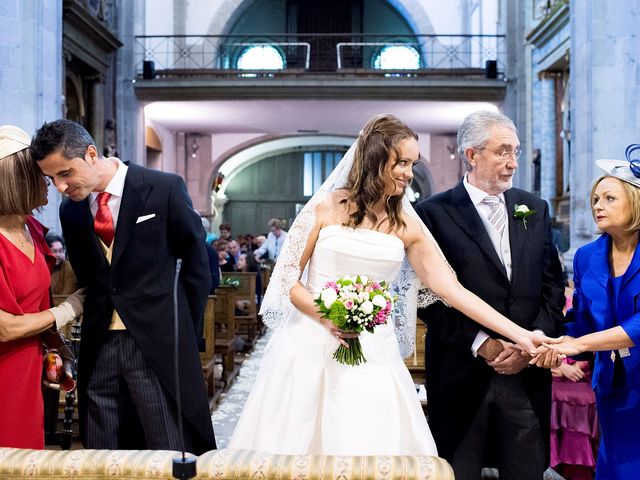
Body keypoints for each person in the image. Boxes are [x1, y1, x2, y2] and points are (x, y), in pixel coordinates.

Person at [229, 113, 557, 456]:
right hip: (309, 342)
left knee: (369, 443)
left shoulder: (407, 223)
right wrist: (327, 316)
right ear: (374, 158)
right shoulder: (326, 207)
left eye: (413, 164)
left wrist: (524, 336)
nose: (408, 173)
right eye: (401, 162)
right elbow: (285, 280)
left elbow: (454, 292)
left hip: (373, 351)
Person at [30, 119, 215, 453]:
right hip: (100, 341)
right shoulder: (72, 212)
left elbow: (196, 266)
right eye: (51, 178)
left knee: (166, 443)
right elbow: (89, 277)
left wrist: (186, 331)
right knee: (101, 444)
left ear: (90, 154)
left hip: (156, 340)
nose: (59, 186)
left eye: (65, 173)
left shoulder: (163, 188)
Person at [414, 110, 565, 479]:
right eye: (502, 152)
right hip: (461, 372)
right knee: (459, 470)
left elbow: (552, 285)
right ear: (472, 155)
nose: (513, 163)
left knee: (527, 471)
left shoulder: (535, 207)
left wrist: (531, 342)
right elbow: (427, 298)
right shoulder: (432, 214)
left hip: (526, 374)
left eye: (514, 152)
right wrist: (483, 344)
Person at [544, 154, 640, 479]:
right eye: (596, 199)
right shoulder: (587, 257)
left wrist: (579, 342)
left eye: (610, 198)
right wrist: (554, 339)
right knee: (613, 467)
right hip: (612, 388)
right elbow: (582, 320)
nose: (598, 205)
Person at [0, 125, 83, 448]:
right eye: (42, 177)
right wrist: (67, 309)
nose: (53, 185)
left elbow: (34, 303)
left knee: (28, 454)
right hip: (5, 367)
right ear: (17, 181)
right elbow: (4, 328)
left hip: (29, 363)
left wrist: (56, 345)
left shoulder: (32, 229)